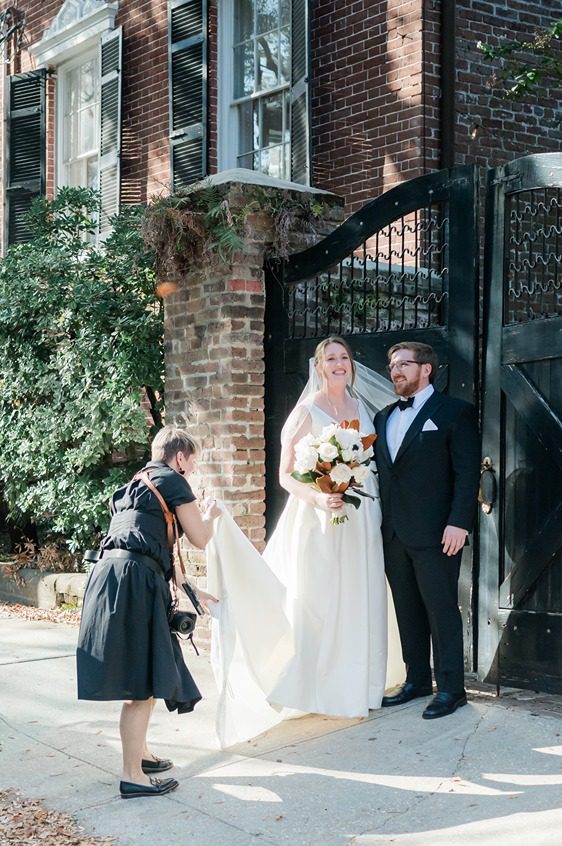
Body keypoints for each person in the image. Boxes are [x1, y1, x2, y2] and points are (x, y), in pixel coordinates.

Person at [206, 336, 404, 747]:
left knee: (361, 594)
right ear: (318, 367)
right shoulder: (304, 413)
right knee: (318, 599)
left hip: (362, 515)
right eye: (330, 358)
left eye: (344, 358)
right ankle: (317, 686)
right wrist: (319, 496)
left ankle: (361, 684)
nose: (339, 364)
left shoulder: (364, 410)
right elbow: (284, 476)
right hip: (319, 518)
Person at [76, 426, 220, 798]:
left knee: (146, 674)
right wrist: (212, 515)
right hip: (135, 584)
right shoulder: (173, 481)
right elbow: (200, 538)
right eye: (193, 463)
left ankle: (138, 755)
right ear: (180, 458)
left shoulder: (132, 487)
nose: (192, 470)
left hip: (113, 579)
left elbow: (150, 545)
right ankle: (132, 775)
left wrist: (192, 589)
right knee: (140, 684)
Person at [374, 342, 480, 719]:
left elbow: (467, 474)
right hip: (394, 533)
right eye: (392, 365)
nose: (395, 371)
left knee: (441, 610)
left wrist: (459, 523)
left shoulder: (455, 413)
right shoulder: (383, 417)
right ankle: (417, 679)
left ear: (426, 369)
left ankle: (452, 689)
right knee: (406, 609)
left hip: (439, 533)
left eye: (404, 364)